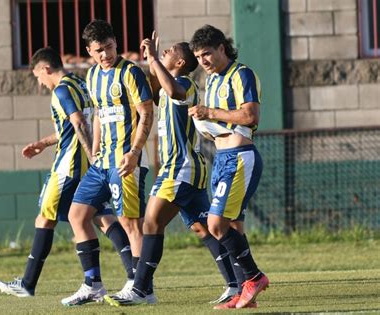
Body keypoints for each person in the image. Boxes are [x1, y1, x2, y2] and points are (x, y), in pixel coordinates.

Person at [102, 32, 238, 306]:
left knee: (151, 222)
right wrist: (151, 62)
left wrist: (154, 59)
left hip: (181, 167)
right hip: (182, 168)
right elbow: (154, 91)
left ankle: (141, 288)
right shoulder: (166, 86)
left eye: (169, 52)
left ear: (179, 61)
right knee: (202, 228)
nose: (164, 53)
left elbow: (174, 90)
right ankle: (237, 283)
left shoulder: (184, 84)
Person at [0, 47, 135, 298]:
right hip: (89, 167)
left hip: (68, 168)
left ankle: (28, 283)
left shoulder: (60, 90)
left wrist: (92, 156)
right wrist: (42, 143)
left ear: (45, 69)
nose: (40, 83)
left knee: (44, 218)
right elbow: (72, 125)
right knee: (102, 217)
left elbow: (79, 122)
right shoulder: (80, 84)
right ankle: (133, 275)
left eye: (38, 77)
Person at [60, 20, 154, 306]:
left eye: (109, 47)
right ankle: (93, 285)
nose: (105, 55)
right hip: (102, 162)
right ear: (89, 51)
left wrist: (136, 151)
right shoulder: (91, 76)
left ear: (116, 42)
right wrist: (96, 150)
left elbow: (146, 113)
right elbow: (99, 113)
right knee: (77, 215)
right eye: (99, 50)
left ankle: (142, 288)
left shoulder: (131, 73)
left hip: (127, 159)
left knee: (130, 223)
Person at [188, 25, 269, 309]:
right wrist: (206, 124)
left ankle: (255, 277)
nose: (203, 61)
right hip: (222, 158)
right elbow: (223, 123)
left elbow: (249, 116)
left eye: (207, 54)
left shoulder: (241, 74)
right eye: (198, 56)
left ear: (222, 48)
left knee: (216, 225)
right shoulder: (211, 81)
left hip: (239, 157)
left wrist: (209, 113)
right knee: (234, 225)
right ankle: (243, 292)